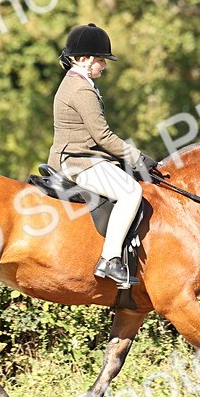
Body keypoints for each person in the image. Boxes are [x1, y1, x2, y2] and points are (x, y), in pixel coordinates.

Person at [48, 23, 160, 286]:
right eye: (100, 60)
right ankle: (110, 259)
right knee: (131, 192)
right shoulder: (81, 89)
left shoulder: (76, 83)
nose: (104, 65)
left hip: (82, 155)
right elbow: (103, 136)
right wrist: (138, 158)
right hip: (77, 161)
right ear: (83, 59)